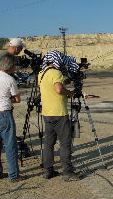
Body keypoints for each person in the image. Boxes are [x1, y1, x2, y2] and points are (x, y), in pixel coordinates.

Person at [38, 50, 81, 182]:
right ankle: (67, 172)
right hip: (59, 113)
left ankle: (47, 170)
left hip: (47, 113)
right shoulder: (56, 73)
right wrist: (70, 93)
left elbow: (54, 85)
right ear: (57, 60)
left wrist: (66, 82)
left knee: (49, 143)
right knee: (65, 143)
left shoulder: (41, 73)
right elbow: (58, 89)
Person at [0, 53, 26, 183]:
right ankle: (13, 175)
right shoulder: (9, 79)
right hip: (3, 113)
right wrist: (9, 99)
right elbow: (17, 99)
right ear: (10, 66)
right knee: (10, 145)